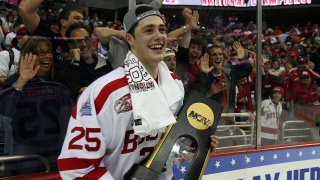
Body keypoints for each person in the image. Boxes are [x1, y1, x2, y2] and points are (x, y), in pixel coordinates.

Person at [58, 4, 218, 179]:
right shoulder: (103, 92)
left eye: (162, 29)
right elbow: (76, 166)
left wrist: (195, 143)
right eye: (149, 30)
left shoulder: (175, 84)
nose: (159, 36)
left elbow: (168, 144)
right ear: (130, 39)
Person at [0, 38, 73, 175]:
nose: (47, 56)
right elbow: (3, 112)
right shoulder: (14, 81)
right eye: (41, 52)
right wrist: (22, 80)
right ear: (28, 55)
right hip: (24, 149)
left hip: (55, 149)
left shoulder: (58, 81)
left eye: (49, 52)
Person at [63, 22, 113, 98]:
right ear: (71, 45)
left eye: (86, 39)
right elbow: (72, 91)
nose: (84, 44)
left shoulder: (106, 63)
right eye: (79, 41)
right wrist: (75, 63)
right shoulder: (66, 68)